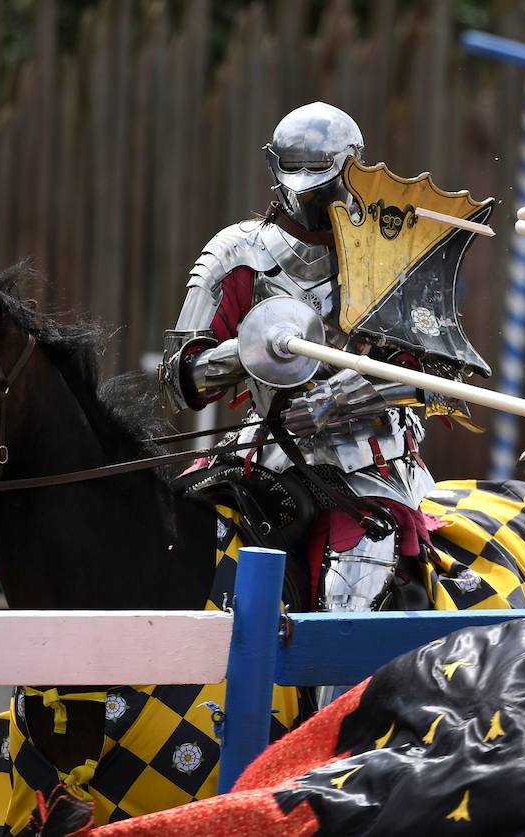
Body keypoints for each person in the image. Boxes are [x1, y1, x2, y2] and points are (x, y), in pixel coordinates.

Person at [160, 101, 434, 620]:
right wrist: (248, 352)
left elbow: (436, 375)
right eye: (297, 175)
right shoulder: (236, 253)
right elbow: (180, 380)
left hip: (368, 456)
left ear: (354, 169)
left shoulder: (393, 250)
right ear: (273, 167)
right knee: (175, 540)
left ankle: (335, 704)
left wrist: (343, 396)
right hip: (264, 445)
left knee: (351, 590)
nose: (308, 191)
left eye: (323, 176)